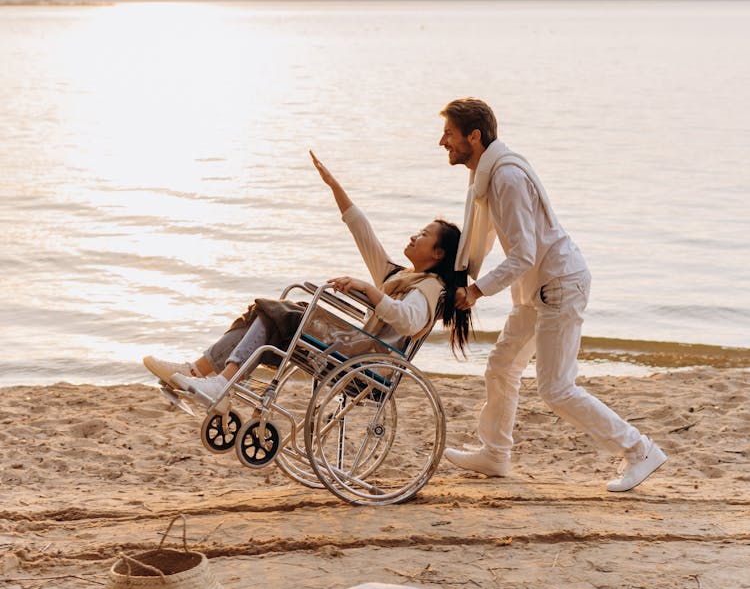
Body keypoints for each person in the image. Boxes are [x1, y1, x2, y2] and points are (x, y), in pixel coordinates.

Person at [438, 97, 667, 493]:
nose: (443, 141)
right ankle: (495, 454)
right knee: (501, 366)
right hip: (536, 290)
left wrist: (476, 290)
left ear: (474, 137)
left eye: (449, 133)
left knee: (556, 388)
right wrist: (457, 274)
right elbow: (491, 236)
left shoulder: (506, 178)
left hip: (559, 285)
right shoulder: (487, 177)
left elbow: (524, 252)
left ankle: (639, 450)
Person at [143, 151, 470, 406]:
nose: (414, 236)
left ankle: (221, 382)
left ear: (439, 253)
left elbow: (408, 322)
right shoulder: (401, 277)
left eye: (423, 235)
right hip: (352, 350)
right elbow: (362, 232)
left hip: (364, 363)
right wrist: (334, 186)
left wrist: (368, 288)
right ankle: (197, 372)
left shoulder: (429, 289)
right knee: (269, 311)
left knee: (281, 312)